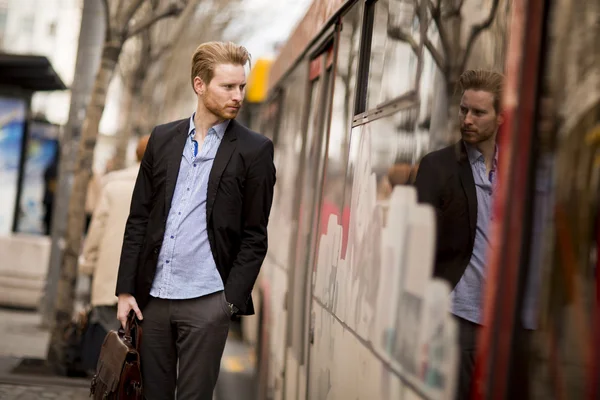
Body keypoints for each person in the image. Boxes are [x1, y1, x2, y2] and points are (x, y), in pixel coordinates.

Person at [115, 41, 276, 400]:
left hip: (208, 300)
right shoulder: (162, 138)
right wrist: (126, 289)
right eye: (228, 86)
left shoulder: (255, 150)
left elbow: (255, 236)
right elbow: (138, 217)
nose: (238, 96)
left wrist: (228, 303)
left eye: (242, 87)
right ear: (199, 85)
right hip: (153, 299)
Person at [414, 69, 504, 400]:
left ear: (500, 118)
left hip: (506, 323)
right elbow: (418, 246)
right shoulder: (437, 167)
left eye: (479, 112)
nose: (467, 119)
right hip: (457, 317)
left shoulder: (518, 170)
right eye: (464, 109)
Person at [77, 135, 150, 372]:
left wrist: (88, 263)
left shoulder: (113, 185)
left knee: (108, 342)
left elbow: (96, 230)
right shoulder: (166, 188)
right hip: (145, 283)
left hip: (109, 275)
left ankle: (106, 386)